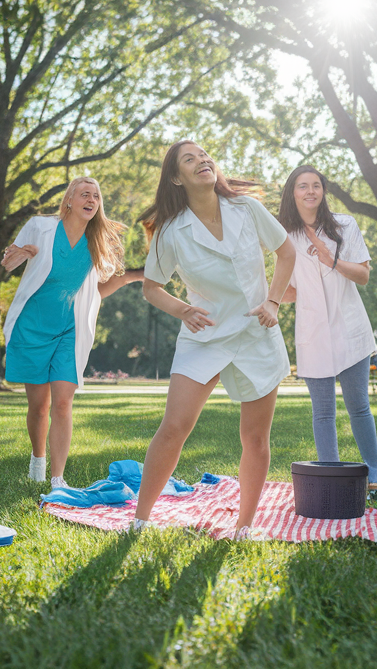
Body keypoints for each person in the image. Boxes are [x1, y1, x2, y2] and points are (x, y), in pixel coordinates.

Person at [132, 141, 295, 538]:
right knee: (174, 427)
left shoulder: (247, 209)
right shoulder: (171, 230)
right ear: (177, 177)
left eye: (205, 155)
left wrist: (272, 301)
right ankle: (139, 520)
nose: (202, 160)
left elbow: (287, 253)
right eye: (190, 159)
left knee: (255, 438)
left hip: (257, 333)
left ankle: (243, 526)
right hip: (203, 337)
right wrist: (183, 310)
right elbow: (151, 287)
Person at [1, 177, 142, 489]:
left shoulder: (96, 241)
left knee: (63, 402)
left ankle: (57, 478)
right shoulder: (40, 226)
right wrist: (21, 254)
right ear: (69, 201)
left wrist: (135, 277)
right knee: (39, 406)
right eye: (84, 194)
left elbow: (98, 289)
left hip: (69, 329)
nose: (91, 199)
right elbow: (8, 263)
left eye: (96, 195)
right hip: (33, 327)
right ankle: (38, 461)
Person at [277, 165, 377, 495]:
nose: (310, 191)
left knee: (359, 407)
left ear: (323, 191)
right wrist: (268, 295)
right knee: (323, 413)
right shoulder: (285, 237)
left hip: (350, 327)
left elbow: (364, 275)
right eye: (302, 186)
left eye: (316, 185)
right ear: (292, 193)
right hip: (313, 334)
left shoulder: (344, 225)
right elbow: (291, 290)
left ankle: (376, 478)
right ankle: (333, 484)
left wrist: (330, 260)